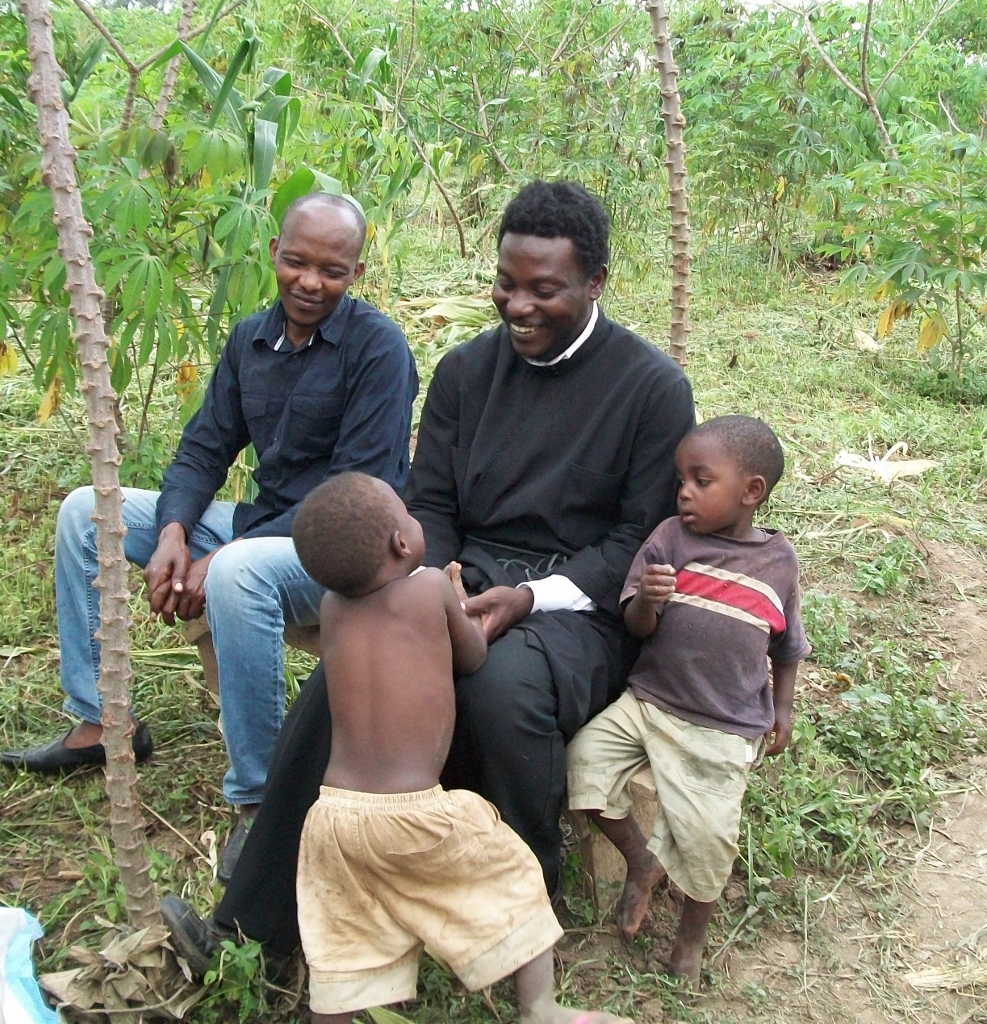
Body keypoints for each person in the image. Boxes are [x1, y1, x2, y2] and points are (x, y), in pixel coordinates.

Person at [159, 179, 695, 969]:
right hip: (456, 575)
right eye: (506, 285)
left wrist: (524, 599)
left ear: (594, 284)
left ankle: (515, 913)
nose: (517, 306)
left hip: (576, 606)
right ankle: (251, 929)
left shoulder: (650, 388)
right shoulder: (465, 371)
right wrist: (432, 583)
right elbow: (431, 502)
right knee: (342, 679)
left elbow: (633, 543)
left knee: (497, 690)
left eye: (543, 290)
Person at [2, 193, 419, 878]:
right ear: (274, 256)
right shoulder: (251, 340)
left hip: (343, 552)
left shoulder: (377, 349)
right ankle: (100, 721)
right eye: (297, 263)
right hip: (257, 525)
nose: (310, 282)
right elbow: (203, 449)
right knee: (87, 511)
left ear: (357, 273)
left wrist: (216, 555)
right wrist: (172, 531)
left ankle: (261, 800)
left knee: (237, 572)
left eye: (332, 270)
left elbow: (354, 496)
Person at [287, 472, 630, 1024]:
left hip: (333, 814)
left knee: (346, 935)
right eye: (409, 513)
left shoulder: (331, 608)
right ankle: (540, 1010)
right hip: (415, 811)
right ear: (402, 543)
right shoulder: (427, 589)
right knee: (513, 875)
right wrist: (456, 600)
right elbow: (469, 658)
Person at [566, 416, 812, 986]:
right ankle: (641, 860)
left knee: (709, 842)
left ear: (751, 492)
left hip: (722, 726)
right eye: (681, 479)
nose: (683, 492)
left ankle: (691, 938)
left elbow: (789, 646)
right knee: (581, 766)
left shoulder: (779, 562)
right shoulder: (669, 539)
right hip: (650, 701)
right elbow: (637, 624)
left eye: (702, 480)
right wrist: (647, 601)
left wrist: (784, 707)